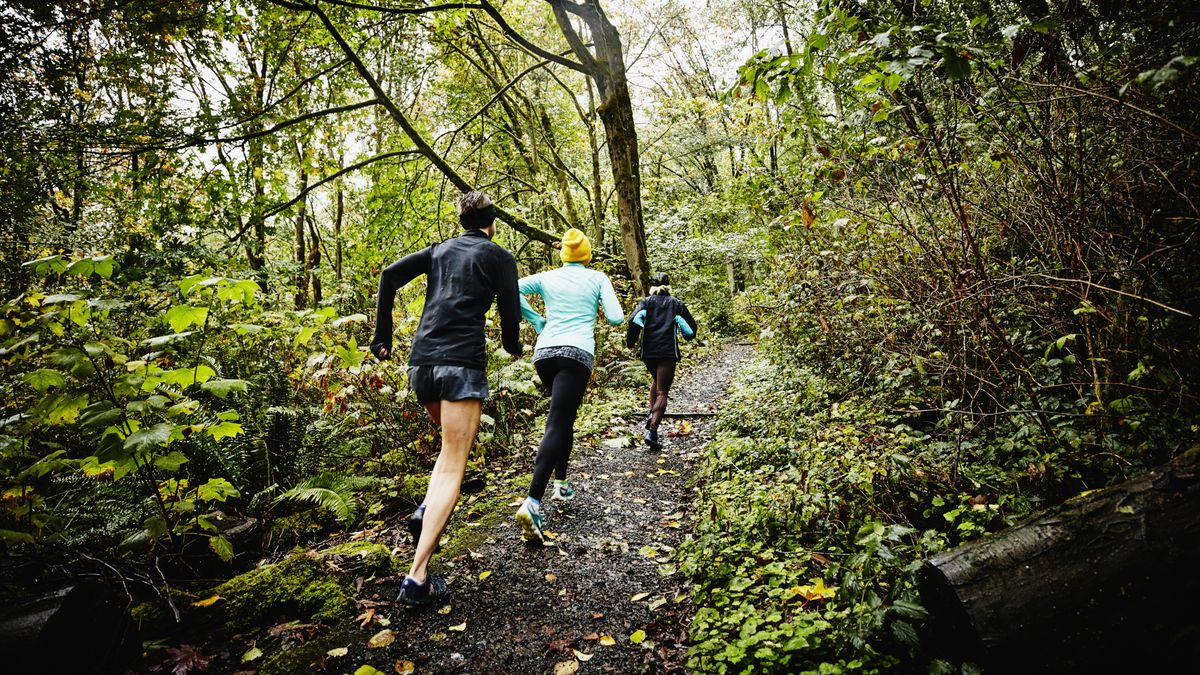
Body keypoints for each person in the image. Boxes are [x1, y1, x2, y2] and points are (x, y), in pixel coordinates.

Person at [369, 191, 524, 606]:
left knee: (447, 450)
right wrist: (514, 346)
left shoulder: (438, 252)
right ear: (492, 222)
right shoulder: (499, 256)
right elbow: (511, 319)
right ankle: (417, 577)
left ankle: (425, 510)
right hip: (461, 366)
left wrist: (381, 335)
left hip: (422, 365)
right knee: (456, 463)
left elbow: (388, 275)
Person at [514, 228, 623, 544]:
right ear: (587, 255)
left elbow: (509, 288)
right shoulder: (597, 278)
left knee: (565, 419)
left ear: (563, 254)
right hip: (576, 355)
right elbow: (615, 318)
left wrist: (536, 319)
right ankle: (533, 502)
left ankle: (561, 483)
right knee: (557, 423)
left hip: (545, 354)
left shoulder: (547, 277)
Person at [626, 272, 697, 451]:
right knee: (663, 392)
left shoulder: (645, 302)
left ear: (651, 286)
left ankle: (652, 415)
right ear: (668, 286)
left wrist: (630, 343)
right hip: (667, 352)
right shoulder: (676, 304)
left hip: (648, 352)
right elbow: (691, 330)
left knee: (657, 382)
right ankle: (652, 430)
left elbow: (633, 322)